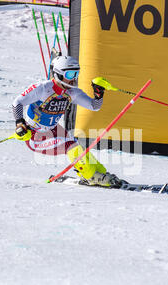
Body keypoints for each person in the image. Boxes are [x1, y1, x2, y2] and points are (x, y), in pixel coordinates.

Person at [11, 55, 123, 188]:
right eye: (70, 74)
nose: (74, 79)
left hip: (53, 130)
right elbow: (17, 102)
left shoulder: (73, 92)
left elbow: (94, 106)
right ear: (58, 74)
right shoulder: (42, 89)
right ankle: (91, 176)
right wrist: (19, 122)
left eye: (76, 74)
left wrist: (98, 94)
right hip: (35, 135)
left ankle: (100, 172)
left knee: (79, 148)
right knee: (71, 146)